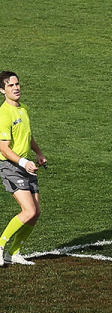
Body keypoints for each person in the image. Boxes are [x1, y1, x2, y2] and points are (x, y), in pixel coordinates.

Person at [0, 71, 48, 266]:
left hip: (26, 164)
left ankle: (14, 252)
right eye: (11, 86)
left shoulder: (23, 109)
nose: (16, 88)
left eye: (17, 84)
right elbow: (3, 147)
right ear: (2, 90)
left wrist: (39, 153)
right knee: (28, 211)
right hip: (10, 165)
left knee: (36, 213)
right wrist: (22, 163)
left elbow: (28, 136)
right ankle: (1, 244)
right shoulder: (4, 114)